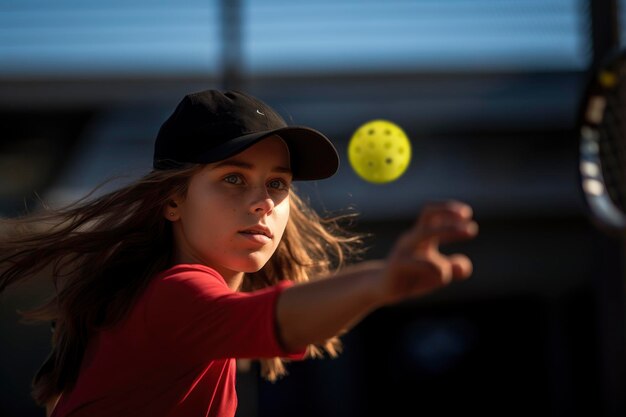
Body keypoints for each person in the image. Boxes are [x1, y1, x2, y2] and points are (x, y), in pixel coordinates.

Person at [0, 89, 478, 417]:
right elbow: (280, 319)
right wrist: (380, 282)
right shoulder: (175, 293)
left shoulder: (160, 301)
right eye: (233, 178)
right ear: (171, 201)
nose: (263, 201)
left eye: (278, 184)